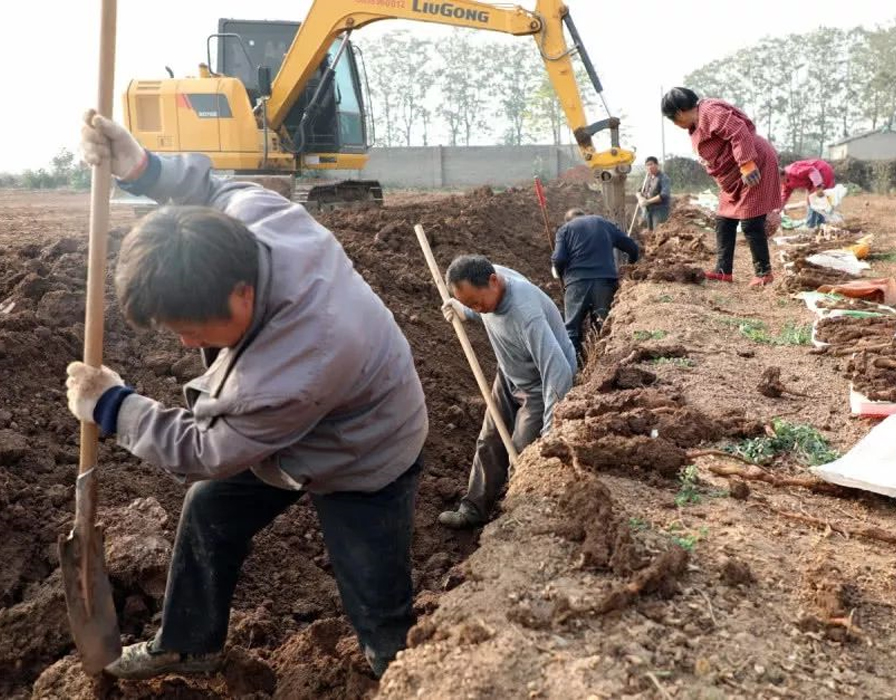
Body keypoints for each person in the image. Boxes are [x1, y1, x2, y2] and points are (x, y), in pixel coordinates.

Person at [68, 111, 428, 680]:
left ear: (241, 296)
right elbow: (211, 187)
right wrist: (139, 166)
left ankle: (400, 672)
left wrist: (113, 405)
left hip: (366, 450)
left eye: (193, 328)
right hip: (304, 416)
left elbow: (207, 450)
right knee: (210, 509)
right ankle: (191, 643)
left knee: (374, 591)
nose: (186, 342)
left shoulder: (296, 366)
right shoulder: (256, 218)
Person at [437, 256, 576, 529]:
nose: (477, 308)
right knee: (489, 439)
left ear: (493, 281)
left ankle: (517, 518)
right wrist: (465, 312)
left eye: (476, 302)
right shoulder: (488, 282)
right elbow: (483, 308)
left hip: (539, 386)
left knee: (523, 453)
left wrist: (550, 431)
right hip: (509, 373)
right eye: (468, 303)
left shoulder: (526, 313)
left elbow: (557, 373)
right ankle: (473, 509)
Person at [661, 87, 782, 286]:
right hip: (734, 175)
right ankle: (723, 270)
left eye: (673, 119)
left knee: (751, 222)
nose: (675, 124)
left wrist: (746, 163)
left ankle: (763, 273)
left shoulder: (709, 111)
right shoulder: (695, 123)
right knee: (724, 220)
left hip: (754, 163)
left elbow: (738, 131)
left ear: (679, 112)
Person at [551, 208, 639, 355]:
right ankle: (604, 361)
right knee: (603, 326)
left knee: (572, 329)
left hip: (576, 284)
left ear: (568, 220)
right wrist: (631, 266)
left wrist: (560, 275)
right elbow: (632, 247)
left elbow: (559, 259)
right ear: (584, 216)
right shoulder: (603, 223)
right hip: (604, 283)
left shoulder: (564, 229)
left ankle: (575, 368)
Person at [780, 159, 836, 228]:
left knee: (814, 200)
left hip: (821, 171)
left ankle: (811, 225)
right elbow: (784, 195)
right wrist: (779, 209)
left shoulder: (793, 171)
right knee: (814, 200)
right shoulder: (785, 183)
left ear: (782, 175)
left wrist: (818, 186)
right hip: (812, 181)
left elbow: (812, 170)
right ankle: (820, 224)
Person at [637, 156, 671, 231]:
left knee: (658, 231)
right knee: (649, 232)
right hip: (648, 210)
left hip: (660, 210)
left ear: (657, 165)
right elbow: (639, 191)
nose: (649, 167)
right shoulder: (648, 178)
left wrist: (648, 201)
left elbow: (664, 195)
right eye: (647, 165)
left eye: (651, 164)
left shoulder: (663, 178)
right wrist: (640, 198)